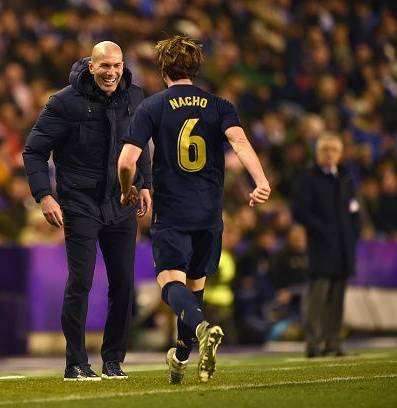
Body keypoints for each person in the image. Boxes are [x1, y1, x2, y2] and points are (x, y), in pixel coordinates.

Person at [117, 35, 270, 384]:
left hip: (173, 209)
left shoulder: (153, 106)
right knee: (195, 288)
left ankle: (202, 329)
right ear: (198, 68)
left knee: (170, 283)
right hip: (210, 212)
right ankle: (183, 358)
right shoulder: (220, 105)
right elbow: (240, 142)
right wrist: (260, 181)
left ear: (162, 68)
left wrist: (127, 190)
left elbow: (127, 161)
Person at [22, 41, 152, 381]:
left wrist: (147, 183)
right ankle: (75, 363)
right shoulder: (64, 102)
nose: (111, 72)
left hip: (121, 201)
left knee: (124, 284)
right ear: (91, 67)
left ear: (124, 66)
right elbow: (33, 151)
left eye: (117, 66)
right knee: (81, 282)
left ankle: (113, 361)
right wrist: (44, 196)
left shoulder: (135, 97)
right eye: (105, 66)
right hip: (79, 202)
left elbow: (140, 146)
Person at [292, 133, 360, 358]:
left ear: (340, 154)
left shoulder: (345, 178)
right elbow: (300, 211)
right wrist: (321, 230)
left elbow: (354, 210)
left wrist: (353, 232)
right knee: (318, 298)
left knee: (337, 299)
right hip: (321, 247)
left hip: (343, 248)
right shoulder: (309, 178)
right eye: (325, 149)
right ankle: (313, 344)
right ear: (318, 153)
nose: (330, 154)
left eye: (334, 150)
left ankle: (333, 343)